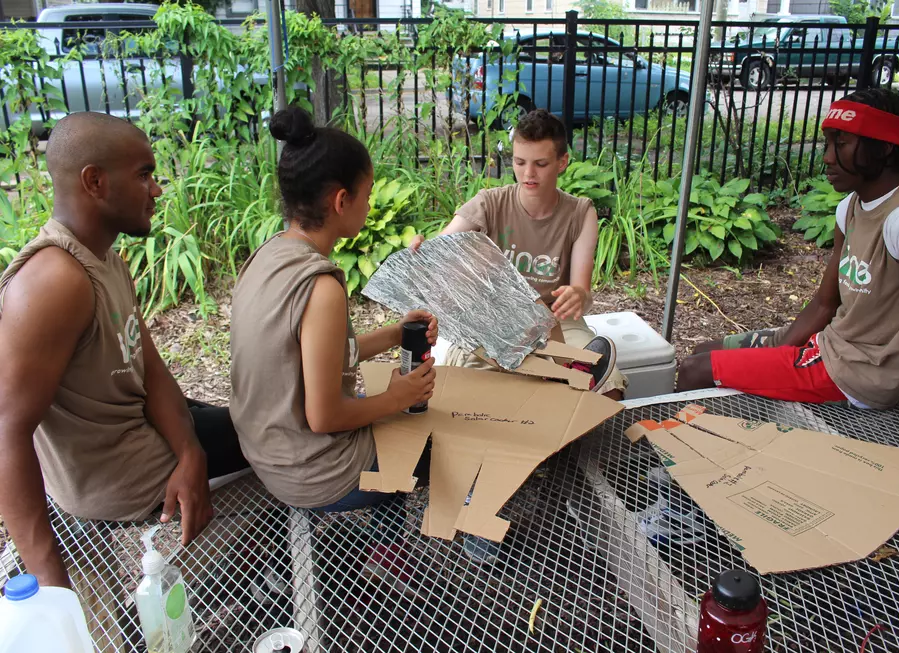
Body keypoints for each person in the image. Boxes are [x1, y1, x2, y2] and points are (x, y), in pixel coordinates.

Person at [676, 89, 899, 491]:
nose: (827, 157)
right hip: (828, 346)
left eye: (842, 142)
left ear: (886, 148)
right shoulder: (851, 206)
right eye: (828, 141)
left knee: (695, 371)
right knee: (705, 351)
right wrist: (779, 349)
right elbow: (824, 302)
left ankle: (686, 486)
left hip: (857, 374)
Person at [0, 112, 249, 589]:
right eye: (143, 175)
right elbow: (8, 429)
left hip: (136, 429)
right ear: (94, 181)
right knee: (275, 436)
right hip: (118, 477)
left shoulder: (105, 256)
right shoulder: (53, 281)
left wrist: (189, 451)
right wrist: (51, 585)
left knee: (244, 420)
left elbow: (148, 366)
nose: (156, 189)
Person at [229, 106, 437, 589]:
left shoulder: (271, 254)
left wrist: (391, 333)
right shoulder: (321, 287)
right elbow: (324, 417)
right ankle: (390, 561)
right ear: (342, 200)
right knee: (429, 440)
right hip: (310, 471)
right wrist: (399, 398)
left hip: (266, 448)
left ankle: (381, 551)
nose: (367, 206)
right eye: (366, 196)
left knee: (393, 414)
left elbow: (312, 358)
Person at [410, 109, 627, 401]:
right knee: (469, 393)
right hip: (492, 323)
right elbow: (441, 248)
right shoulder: (489, 203)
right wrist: (422, 251)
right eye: (519, 162)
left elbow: (583, 295)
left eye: (540, 164)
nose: (528, 174)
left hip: (556, 322)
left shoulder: (580, 212)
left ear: (562, 162)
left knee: (608, 385)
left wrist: (577, 295)